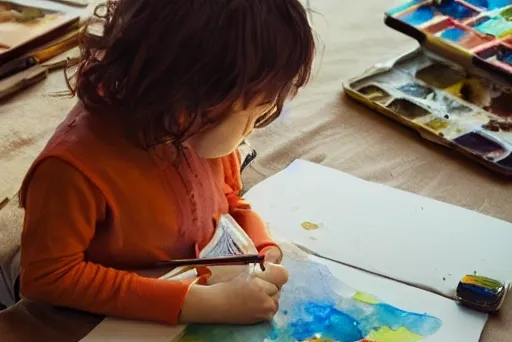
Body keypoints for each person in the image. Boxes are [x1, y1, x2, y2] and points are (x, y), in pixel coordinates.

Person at [16, 0, 315, 324]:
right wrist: (200, 304)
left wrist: (261, 247)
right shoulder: (71, 172)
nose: (256, 124)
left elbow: (226, 200)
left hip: (193, 276)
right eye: (259, 110)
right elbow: (47, 278)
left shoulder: (195, 133)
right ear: (198, 98)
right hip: (97, 331)